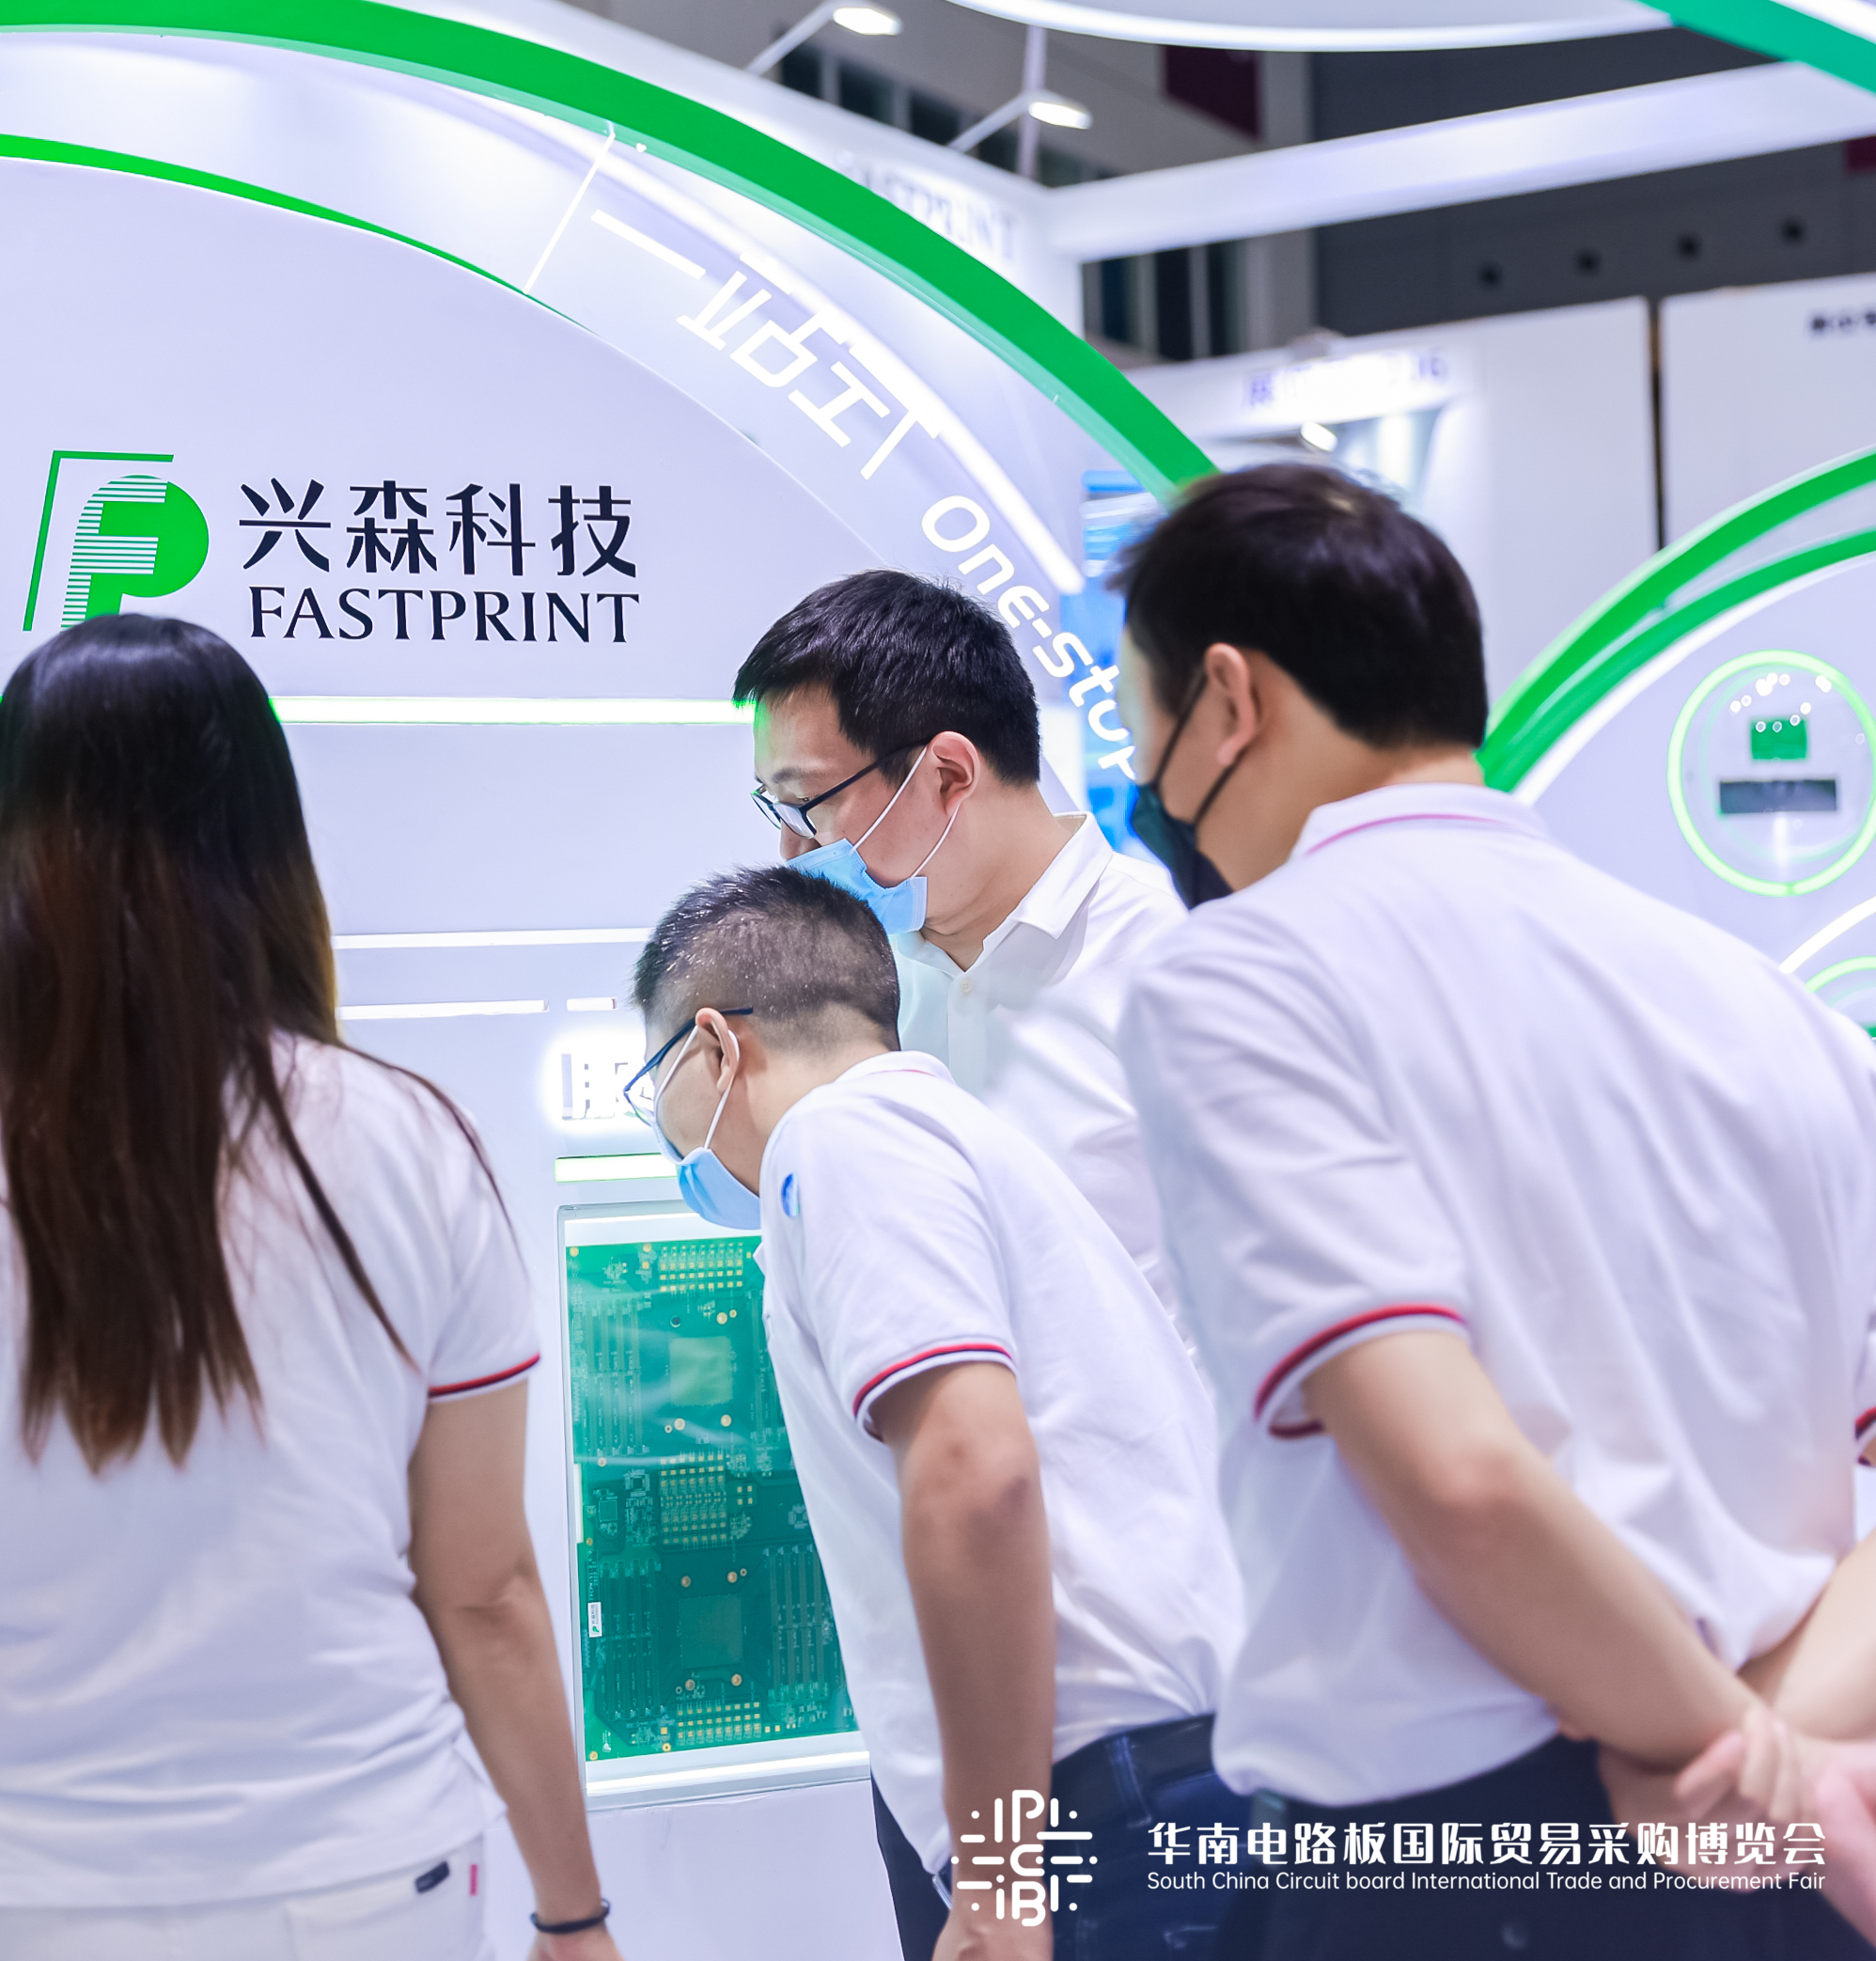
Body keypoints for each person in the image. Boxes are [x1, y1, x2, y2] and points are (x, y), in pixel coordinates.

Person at [0, 614, 624, 1961]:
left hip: (9, 1891)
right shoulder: (413, 1142)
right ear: (268, 847)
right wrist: (574, 1911)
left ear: (5, 849)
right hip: (368, 1874)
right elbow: (483, 1587)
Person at [1112, 463, 1876, 1958]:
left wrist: (1723, 1757)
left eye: (1142, 731)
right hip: (1783, 1829)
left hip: (1461, 1867)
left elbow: (1458, 1478)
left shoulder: (1243, 976)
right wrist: (1766, 1754)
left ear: (1228, 699)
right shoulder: (1773, 1008)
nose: (1146, 788)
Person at [630, 865, 1241, 1961]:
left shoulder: (839, 1140)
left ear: (714, 1044)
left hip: (1100, 1804)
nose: (665, 1132)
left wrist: (1001, 1875)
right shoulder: (950, 1134)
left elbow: (975, 1474)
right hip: (1157, 1783)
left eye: (653, 1079)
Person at [735, 572, 1183, 1312]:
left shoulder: (1178, 964)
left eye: (808, 803)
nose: (791, 849)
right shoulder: (847, 991)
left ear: (947, 773)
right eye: (775, 807)